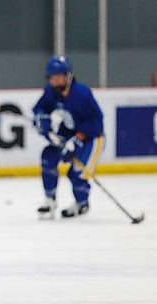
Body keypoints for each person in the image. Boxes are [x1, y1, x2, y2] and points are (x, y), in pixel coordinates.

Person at [33, 56, 104, 219]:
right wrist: (42, 120)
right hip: (69, 134)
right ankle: (50, 200)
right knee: (48, 156)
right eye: (52, 77)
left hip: (92, 139)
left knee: (76, 173)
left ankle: (82, 203)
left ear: (68, 75)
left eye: (59, 76)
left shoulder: (81, 93)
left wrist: (78, 139)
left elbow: (96, 122)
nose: (56, 80)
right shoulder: (51, 92)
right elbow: (40, 107)